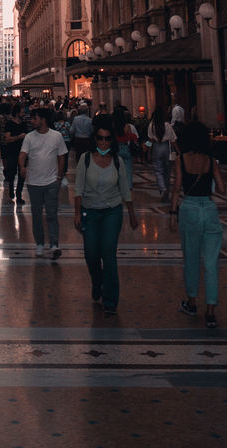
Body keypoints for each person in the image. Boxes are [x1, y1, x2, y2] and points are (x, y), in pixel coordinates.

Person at [74, 123, 137, 316]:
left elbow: (125, 189)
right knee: (91, 254)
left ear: (112, 141)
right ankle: (97, 280)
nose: (103, 142)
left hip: (112, 211)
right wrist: (77, 213)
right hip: (89, 211)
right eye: (100, 138)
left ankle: (110, 300)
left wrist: (132, 214)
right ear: (95, 139)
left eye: (107, 138)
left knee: (108, 254)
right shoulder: (85, 160)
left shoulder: (117, 161)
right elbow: (78, 189)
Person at [170, 120, 224, 329]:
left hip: (190, 208)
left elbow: (176, 187)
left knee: (191, 258)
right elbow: (222, 188)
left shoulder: (181, 159)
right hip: (209, 210)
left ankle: (192, 303)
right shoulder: (211, 161)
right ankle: (211, 311)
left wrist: (172, 213)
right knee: (211, 263)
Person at [19, 106, 68, 258]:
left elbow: (62, 157)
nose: (32, 121)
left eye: (35, 118)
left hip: (52, 181)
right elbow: (22, 154)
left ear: (43, 119)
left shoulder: (56, 136)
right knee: (36, 215)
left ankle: (54, 245)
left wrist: (59, 177)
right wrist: (22, 166)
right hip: (34, 183)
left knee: (52, 214)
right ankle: (39, 243)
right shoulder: (29, 137)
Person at [147, 106, 177, 203]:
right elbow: (173, 140)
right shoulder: (167, 125)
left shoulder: (152, 125)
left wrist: (147, 150)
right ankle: (166, 193)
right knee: (167, 172)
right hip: (166, 147)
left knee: (158, 170)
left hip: (156, 147)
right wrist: (178, 151)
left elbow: (150, 140)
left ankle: (162, 187)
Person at [1, 104, 28, 203]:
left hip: (22, 152)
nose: (23, 114)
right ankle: (11, 191)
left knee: (22, 174)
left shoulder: (24, 124)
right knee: (11, 173)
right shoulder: (9, 124)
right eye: (22, 112)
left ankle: (19, 194)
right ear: (17, 113)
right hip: (11, 152)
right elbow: (7, 138)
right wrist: (18, 137)